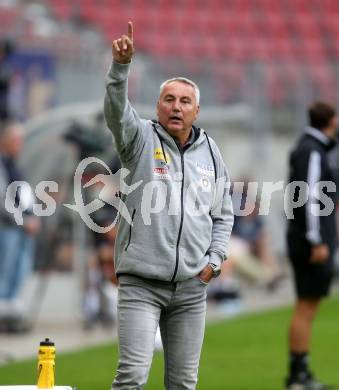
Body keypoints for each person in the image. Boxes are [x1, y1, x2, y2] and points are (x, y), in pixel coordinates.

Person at [104, 22, 233, 389]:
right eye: (169, 100)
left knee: (183, 383)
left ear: (197, 110)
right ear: (158, 105)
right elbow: (115, 112)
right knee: (131, 377)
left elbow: (223, 212)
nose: (176, 107)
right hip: (142, 284)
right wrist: (120, 68)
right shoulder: (140, 139)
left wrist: (214, 260)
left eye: (184, 101)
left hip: (192, 289)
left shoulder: (211, 151)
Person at [286, 102, 337, 390]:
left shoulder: (309, 148)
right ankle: (298, 375)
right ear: (330, 121)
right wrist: (317, 240)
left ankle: (300, 372)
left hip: (305, 238)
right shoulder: (313, 151)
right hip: (310, 241)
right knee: (306, 307)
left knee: (307, 306)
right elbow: (311, 196)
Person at [0, 119, 40, 329]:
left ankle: (9, 319)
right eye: (16, 140)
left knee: (19, 273)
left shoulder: (15, 166)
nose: (20, 144)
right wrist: (23, 221)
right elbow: (2, 201)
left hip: (23, 230)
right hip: (7, 229)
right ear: (5, 141)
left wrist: (33, 217)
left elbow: (25, 196)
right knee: (4, 275)